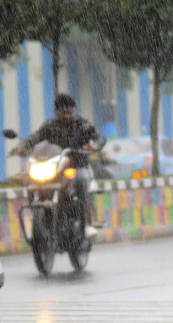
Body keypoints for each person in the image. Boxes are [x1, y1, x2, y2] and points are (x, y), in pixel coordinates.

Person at [9, 93, 104, 238]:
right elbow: (35, 137)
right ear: (56, 112)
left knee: (82, 179)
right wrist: (21, 146)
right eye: (63, 112)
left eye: (70, 112)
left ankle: (87, 224)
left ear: (74, 111)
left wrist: (95, 146)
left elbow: (98, 137)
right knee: (30, 180)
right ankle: (38, 217)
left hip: (77, 165)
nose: (67, 116)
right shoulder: (50, 126)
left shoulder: (82, 124)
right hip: (56, 170)